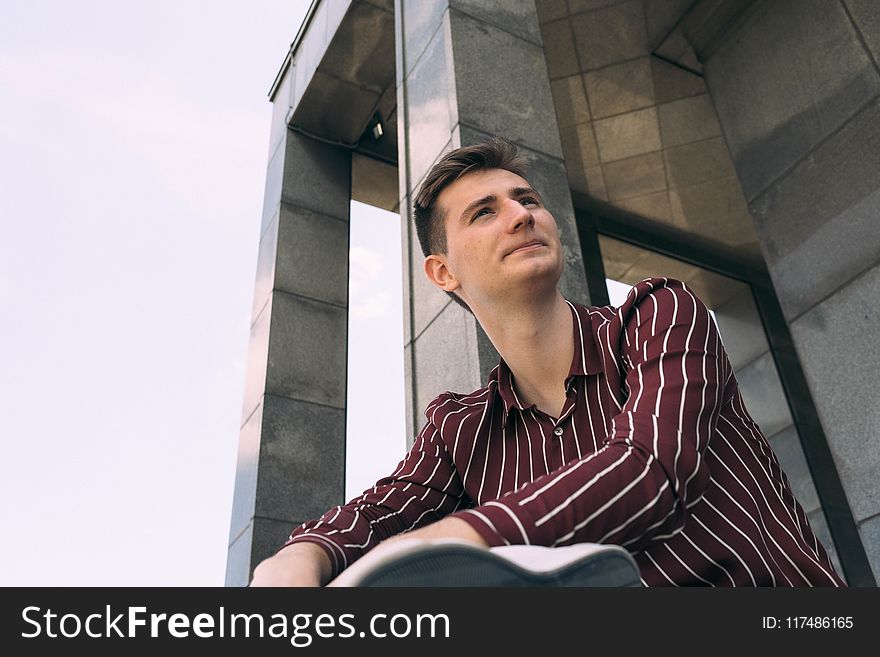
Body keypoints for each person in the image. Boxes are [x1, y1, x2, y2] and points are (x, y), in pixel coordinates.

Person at [250, 136, 844, 587]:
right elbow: (376, 513)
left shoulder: (658, 315)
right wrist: (300, 556)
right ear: (444, 272)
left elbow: (652, 472)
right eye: (484, 211)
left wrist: (464, 535)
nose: (520, 215)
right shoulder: (463, 430)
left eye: (526, 199)